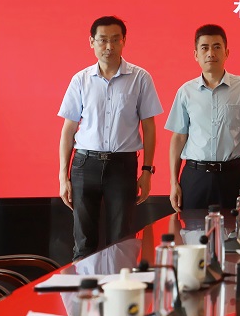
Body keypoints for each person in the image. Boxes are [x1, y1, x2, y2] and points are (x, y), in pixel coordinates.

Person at [58, 16, 163, 259]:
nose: (109, 46)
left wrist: (147, 171)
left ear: (124, 41)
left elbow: (149, 127)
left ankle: (120, 284)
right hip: (85, 165)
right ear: (91, 42)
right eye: (103, 40)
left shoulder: (140, 78)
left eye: (115, 40)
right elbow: (68, 129)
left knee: (121, 242)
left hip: (122, 166)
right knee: (84, 243)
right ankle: (85, 285)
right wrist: (63, 176)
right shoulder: (80, 80)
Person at [165, 24, 240, 213]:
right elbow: (178, 138)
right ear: (196, 55)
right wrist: (173, 182)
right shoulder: (185, 92)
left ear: (226, 53)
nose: (211, 53)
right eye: (204, 48)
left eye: (217, 47)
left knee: (236, 229)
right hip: (195, 177)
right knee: (191, 230)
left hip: (233, 176)